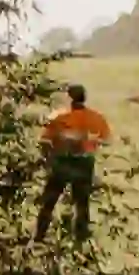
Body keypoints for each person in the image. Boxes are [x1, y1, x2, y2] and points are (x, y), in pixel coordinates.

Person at [33, 84, 112, 244]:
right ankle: (81, 240)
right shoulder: (95, 117)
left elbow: (45, 141)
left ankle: (39, 237)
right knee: (82, 204)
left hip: (62, 162)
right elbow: (106, 140)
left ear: (69, 98)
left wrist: (48, 158)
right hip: (84, 162)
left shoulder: (58, 117)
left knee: (49, 201)